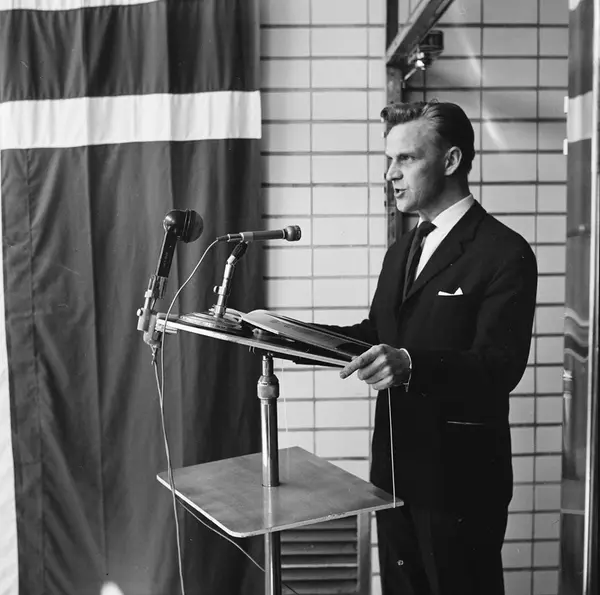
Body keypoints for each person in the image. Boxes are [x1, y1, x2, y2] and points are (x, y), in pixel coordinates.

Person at [331, 100, 538, 595]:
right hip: (394, 474)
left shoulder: (504, 252)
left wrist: (409, 365)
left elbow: (500, 366)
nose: (390, 174)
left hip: (460, 485)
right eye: (389, 160)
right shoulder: (402, 250)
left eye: (405, 159)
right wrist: (282, 335)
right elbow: (376, 334)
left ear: (451, 161)